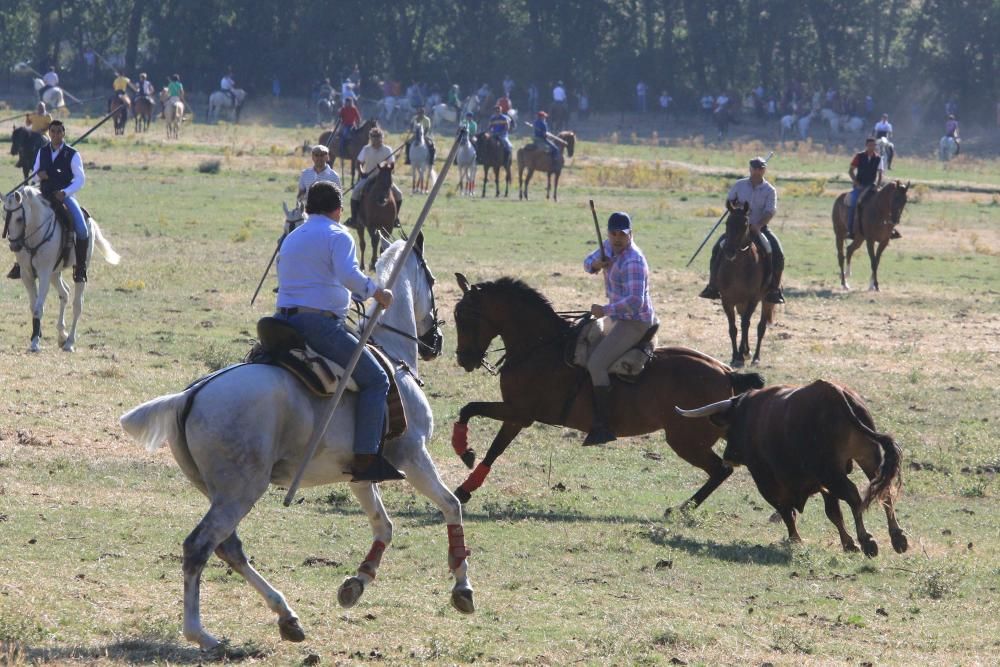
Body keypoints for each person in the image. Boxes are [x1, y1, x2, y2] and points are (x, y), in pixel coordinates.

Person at [275, 181, 403, 482]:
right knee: (376, 379)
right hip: (318, 325)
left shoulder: (293, 237)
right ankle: (366, 458)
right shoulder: (338, 234)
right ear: (338, 209)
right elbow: (349, 276)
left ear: (308, 207)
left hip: (281, 322)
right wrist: (376, 292)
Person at [582, 212, 657, 446]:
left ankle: (604, 425)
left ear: (630, 234)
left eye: (622, 234)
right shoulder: (608, 247)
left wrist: (605, 310)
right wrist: (596, 264)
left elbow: (635, 302)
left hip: (634, 321)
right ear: (608, 233)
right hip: (617, 317)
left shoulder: (633, 260)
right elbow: (587, 263)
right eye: (613, 233)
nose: (617, 238)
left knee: (596, 363)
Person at [9, 120, 89, 282]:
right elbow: (36, 172)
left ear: (63, 133)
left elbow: (80, 179)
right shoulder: (42, 151)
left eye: (59, 131)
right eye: (53, 131)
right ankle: (20, 263)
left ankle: (80, 268)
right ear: (49, 133)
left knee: (82, 229)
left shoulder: (72, 154)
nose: (55, 134)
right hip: (43, 193)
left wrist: (65, 192)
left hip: (64, 196)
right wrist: (40, 175)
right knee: (23, 219)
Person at [699, 157, 785, 304]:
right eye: (755, 168)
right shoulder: (739, 185)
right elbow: (730, 201)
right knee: (717, 249)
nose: (757, 171)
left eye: (760, 168)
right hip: (737, 228)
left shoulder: (770, 190)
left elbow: (770, 211)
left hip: (759, 228)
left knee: (776, 252)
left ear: (764, 170)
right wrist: (734, 205)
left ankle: (773, 289)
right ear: (750, 169)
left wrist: (758, 225)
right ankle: (712, 285)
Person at [348, 127, 403, 229]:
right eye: (373, 137)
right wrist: (362, 172)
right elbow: (359, 162)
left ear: (382, 138)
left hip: (384, 178)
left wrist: (385, 167)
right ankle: (354, 218)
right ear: (370, 138)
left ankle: (395, 218)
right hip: (369, 177)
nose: (376, 140)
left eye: (378, 137)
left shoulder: (387, 150)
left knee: (399, 194)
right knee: (356, 191)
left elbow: (392, 164)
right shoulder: (366, 149)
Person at [846, 137, 884, 240]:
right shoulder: (859, 156)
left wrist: (878, 185)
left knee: (884, 203)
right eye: (870, 145)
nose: (872, 147)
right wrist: (856, 183)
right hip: (860, 186)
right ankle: (850, 230)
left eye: (874, 145)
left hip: (871, 186)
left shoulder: (879, 158)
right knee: (853, 203)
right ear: (866, 146)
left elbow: (880, 174)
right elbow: (851, 171)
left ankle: (887, 230)